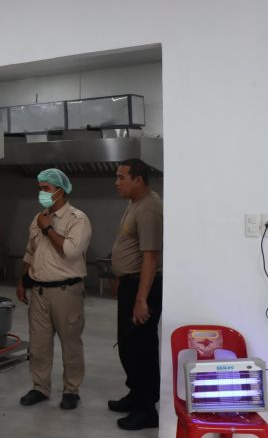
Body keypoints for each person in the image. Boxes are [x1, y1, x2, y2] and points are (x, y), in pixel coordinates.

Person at [16, 169, 92, 410]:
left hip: (65, 292)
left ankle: (71, 390)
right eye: (39, 188)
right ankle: (40, 387)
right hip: (39, 292)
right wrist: (22, 279)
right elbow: (30, 251)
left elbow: (70, 250)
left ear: (61, 190)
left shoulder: (77, 219)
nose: (42, 193)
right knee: (38, 344)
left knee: (71, 344)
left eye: (46, 189)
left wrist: (49, 229)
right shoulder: (38, 218)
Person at [108, 158, 163, 431]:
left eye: (122, 177)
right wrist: (121, 278)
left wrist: (141, 300)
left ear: (138, 179)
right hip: (131, 284)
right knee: (129, 346)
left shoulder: (150, 208)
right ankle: (136, 394)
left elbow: (151, 258)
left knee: (141, 348)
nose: (117, 182)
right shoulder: (136, 203)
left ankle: (146, 409)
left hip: (144, 288)